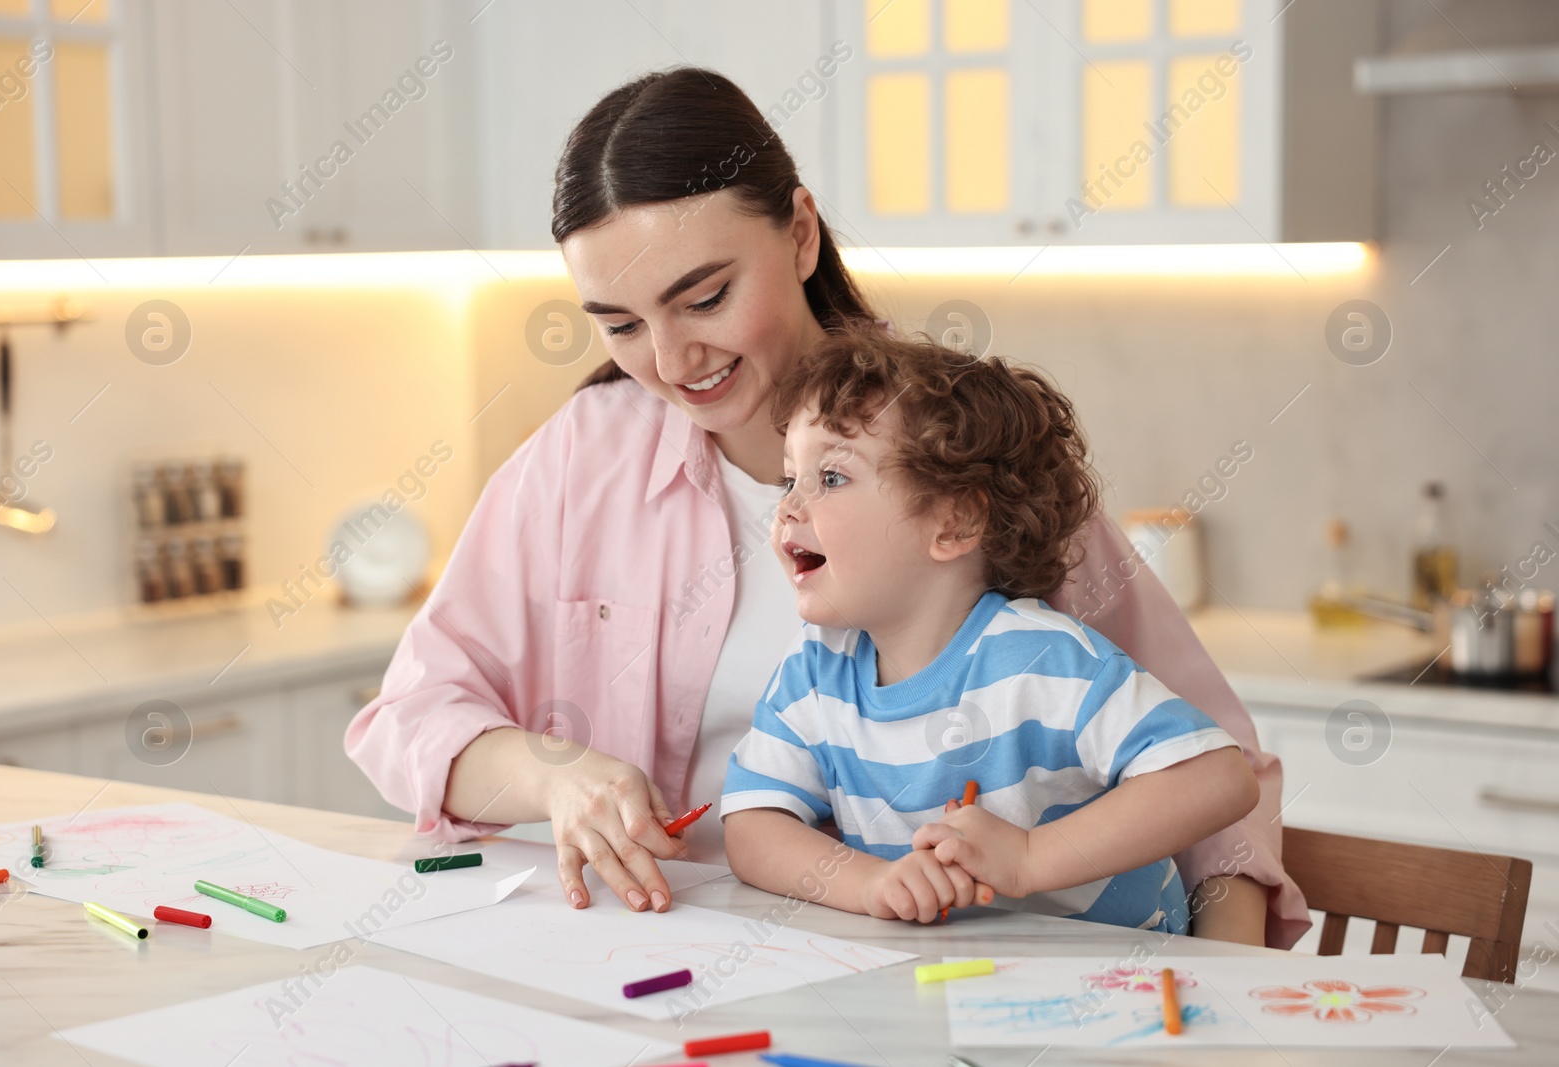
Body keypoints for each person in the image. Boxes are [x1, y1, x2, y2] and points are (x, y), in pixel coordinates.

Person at [344, 67, 1309, 948]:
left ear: (800, 233)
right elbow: (407, 715)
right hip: (681, 968)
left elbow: (1218, 786)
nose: (673, 364)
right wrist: (555, 775)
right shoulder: (578, 459)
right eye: (623, 325)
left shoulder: (953, 448)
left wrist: (1229, 999)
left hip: (981, 982)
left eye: (706, 297)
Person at [721, 329, 1260, 930]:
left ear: (953, 523)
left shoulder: (1040, 659)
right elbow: (752, 824)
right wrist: (871, 883)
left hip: (1115, 984)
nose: (788, 507)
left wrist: (1030, 858)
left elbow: (1218, 779)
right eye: (787, 479)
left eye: (832, 478)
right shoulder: (815, 670)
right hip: (956, 985)